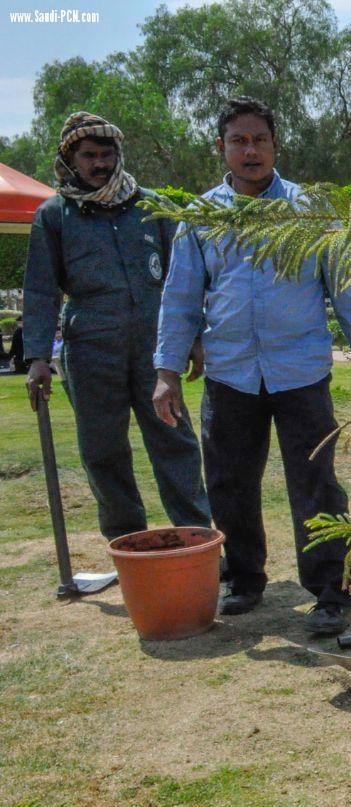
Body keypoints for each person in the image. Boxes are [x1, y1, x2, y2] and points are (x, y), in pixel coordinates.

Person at [153, 96, 351, 636]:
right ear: (220, 147)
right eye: (239, 141)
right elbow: (180, 298)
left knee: (316, 486)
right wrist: (167, 371)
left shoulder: (310, 210)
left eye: (260, 140)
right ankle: (243, 580)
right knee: (229, 484)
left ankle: (331, 592)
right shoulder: (201, 217)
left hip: (302, 374)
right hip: (230, 375)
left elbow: (345, 290)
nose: (251, 150)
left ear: (275, 146)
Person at [22, 112, 210, 540]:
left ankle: (197, 537)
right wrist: (35, 357)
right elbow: (40, 291)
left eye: (107, 154)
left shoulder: (153, 207)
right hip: (90, 350)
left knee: (174, 441)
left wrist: (196, 337)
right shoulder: (54, 216)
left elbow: (184, 280)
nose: (100, 164)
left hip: (155, 352)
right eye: (90, 156)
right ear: (71, 160)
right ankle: (128, 541)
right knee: (103, 450)